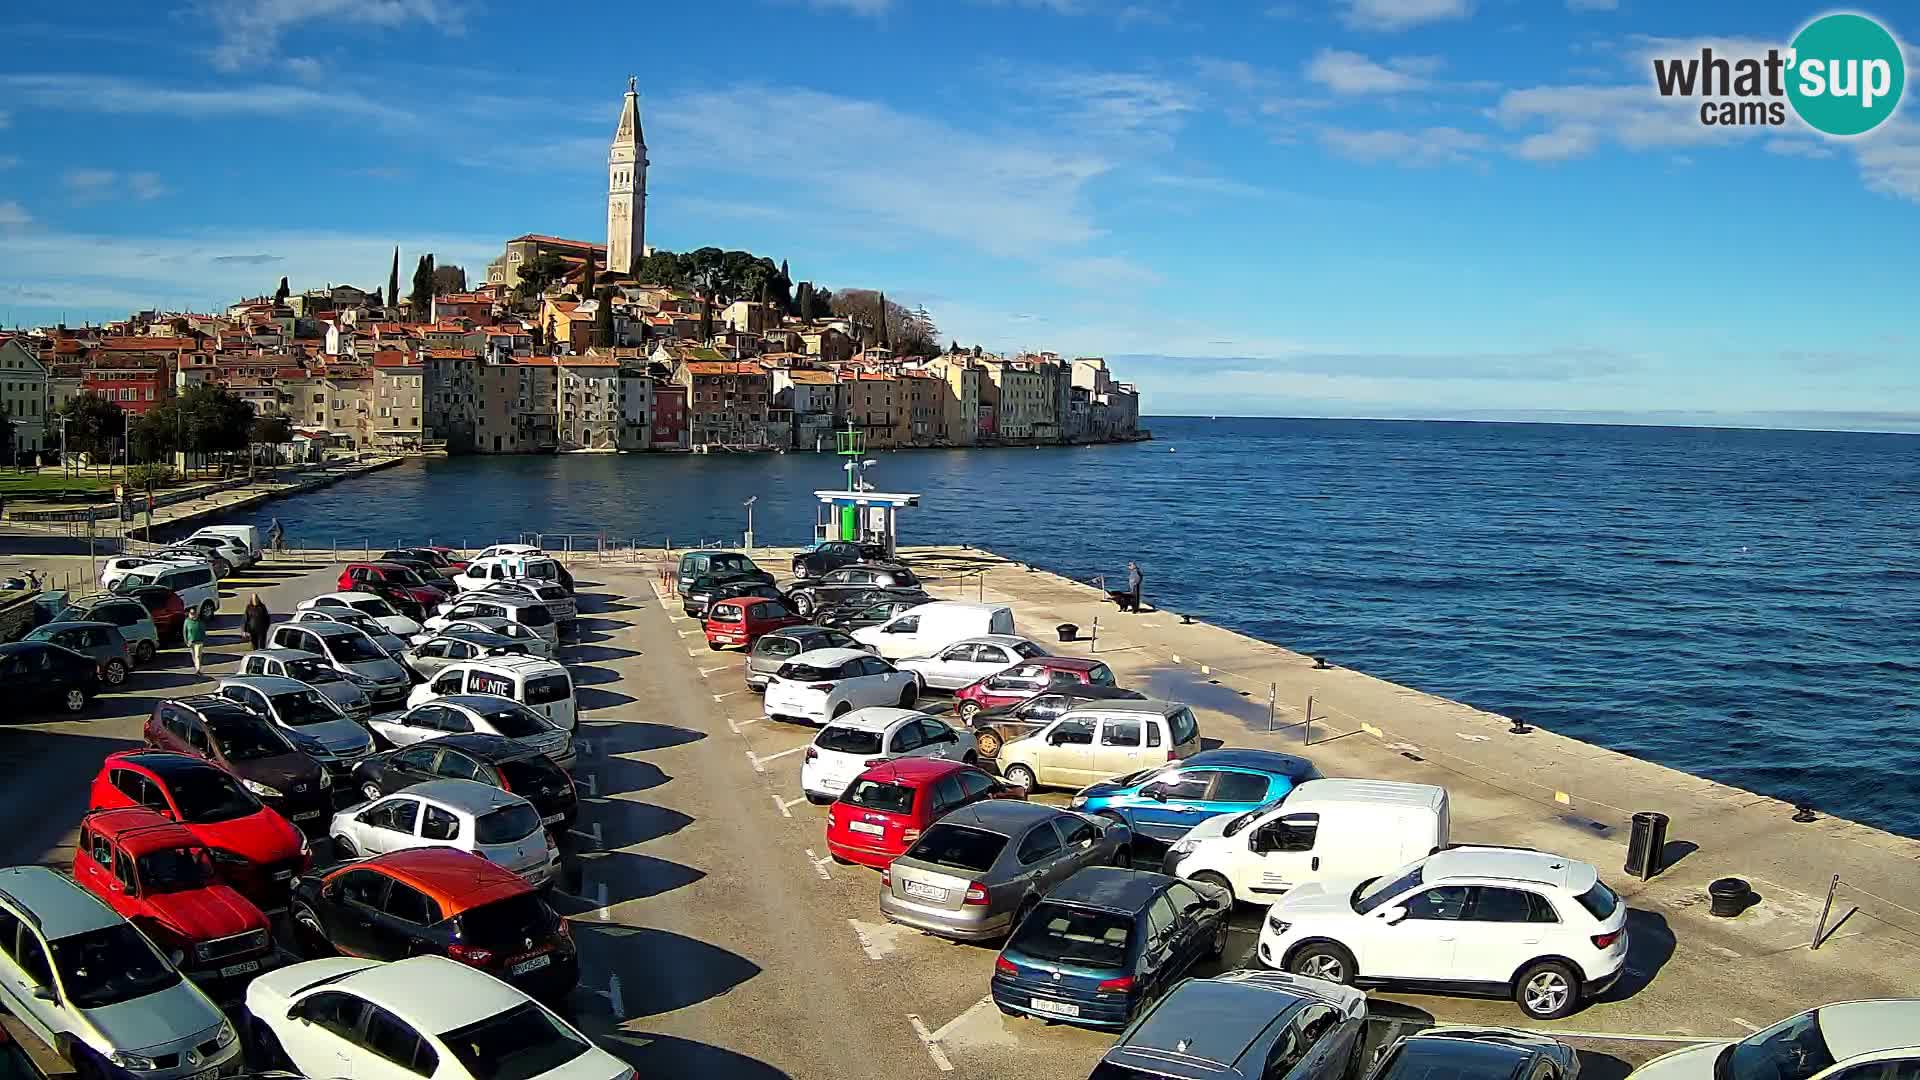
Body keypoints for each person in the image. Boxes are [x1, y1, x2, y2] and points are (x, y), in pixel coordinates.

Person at [183, 606, 207, 674]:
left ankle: (198, 669)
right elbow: (185, 632)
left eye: (194, 613)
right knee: (194, 656)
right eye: (191, 613)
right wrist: (186, 641)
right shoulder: (187, 621)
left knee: (197, 656)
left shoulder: (199, 622)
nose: (193, 614)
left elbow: (203, 631)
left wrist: (203, 640)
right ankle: (196, 666)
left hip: (199, 642)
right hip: (191, 642)